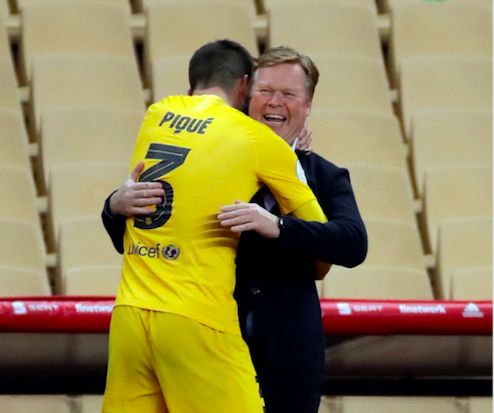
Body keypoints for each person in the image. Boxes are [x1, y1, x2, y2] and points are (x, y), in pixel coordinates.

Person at [100, 40, 329, 413]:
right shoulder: (255, 139)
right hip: (198, 319)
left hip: (129, 317)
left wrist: (112, 205)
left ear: (192, 83)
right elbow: (320, 240)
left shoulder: (157, 115)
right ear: (244, 85)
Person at [218, 47, 367, 413]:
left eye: (288, 94)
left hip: (292, 362)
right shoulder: (210, 162)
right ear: (246, 96)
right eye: (266, 91)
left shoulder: (324, 175)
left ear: (308, 104)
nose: (275, 102)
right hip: (214, 350)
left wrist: (281, 227)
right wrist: (114, 206)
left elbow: (353, 243)